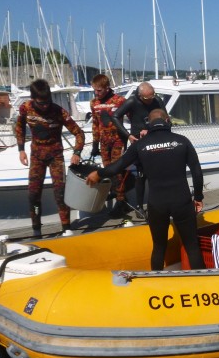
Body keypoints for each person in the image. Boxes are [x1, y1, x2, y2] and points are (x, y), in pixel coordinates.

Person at [86, 108, 205, 270]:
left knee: (159, 247)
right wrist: (198, 197)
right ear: (168, 120)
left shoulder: (140, 145)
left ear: (148, 123)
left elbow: (117, 167)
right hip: (181, 201)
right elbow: (197, 172)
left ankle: (155, 285)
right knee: (192, 247)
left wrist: (98, 174)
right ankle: (202, 285)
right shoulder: (182, 141)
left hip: (157, 204)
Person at [15, 79, 85, 236]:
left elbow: (79, 133)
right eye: (41, 103)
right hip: (37, 156)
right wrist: (21, 149)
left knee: (60, 192)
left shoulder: (59, 112)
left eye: (47, 102)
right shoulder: (25, 108)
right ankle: (36, 230)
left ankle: (66, 228)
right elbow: (19, 127)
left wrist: (77, 152)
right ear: (33, 99)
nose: (45, 106)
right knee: (33, 194)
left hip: (55, 156)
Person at [110, 82, 166, 217]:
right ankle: (140, 207)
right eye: (147, 98)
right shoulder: (132, 101)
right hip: (138, 140)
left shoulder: (157, 101)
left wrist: (152, 129)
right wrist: (128, 135)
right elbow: (115, 116)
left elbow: (166, 119)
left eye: (152, 96)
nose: (150, 100)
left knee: (157, 173)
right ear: (140, 96)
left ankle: (160, 203)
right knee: (141, 174)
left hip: (154, 138)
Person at [88, 74, 127, 217]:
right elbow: (95, 124)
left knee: (117, 170)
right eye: (95, 90)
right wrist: (94, 144)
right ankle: (119, 196)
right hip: (104, 141)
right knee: (107, 170)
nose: (97, 93)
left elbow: (133, 116)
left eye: (99, 91)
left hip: (118, 140)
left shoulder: (120, 101)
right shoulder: (94, 103)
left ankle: (121, 202)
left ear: (107, 88)